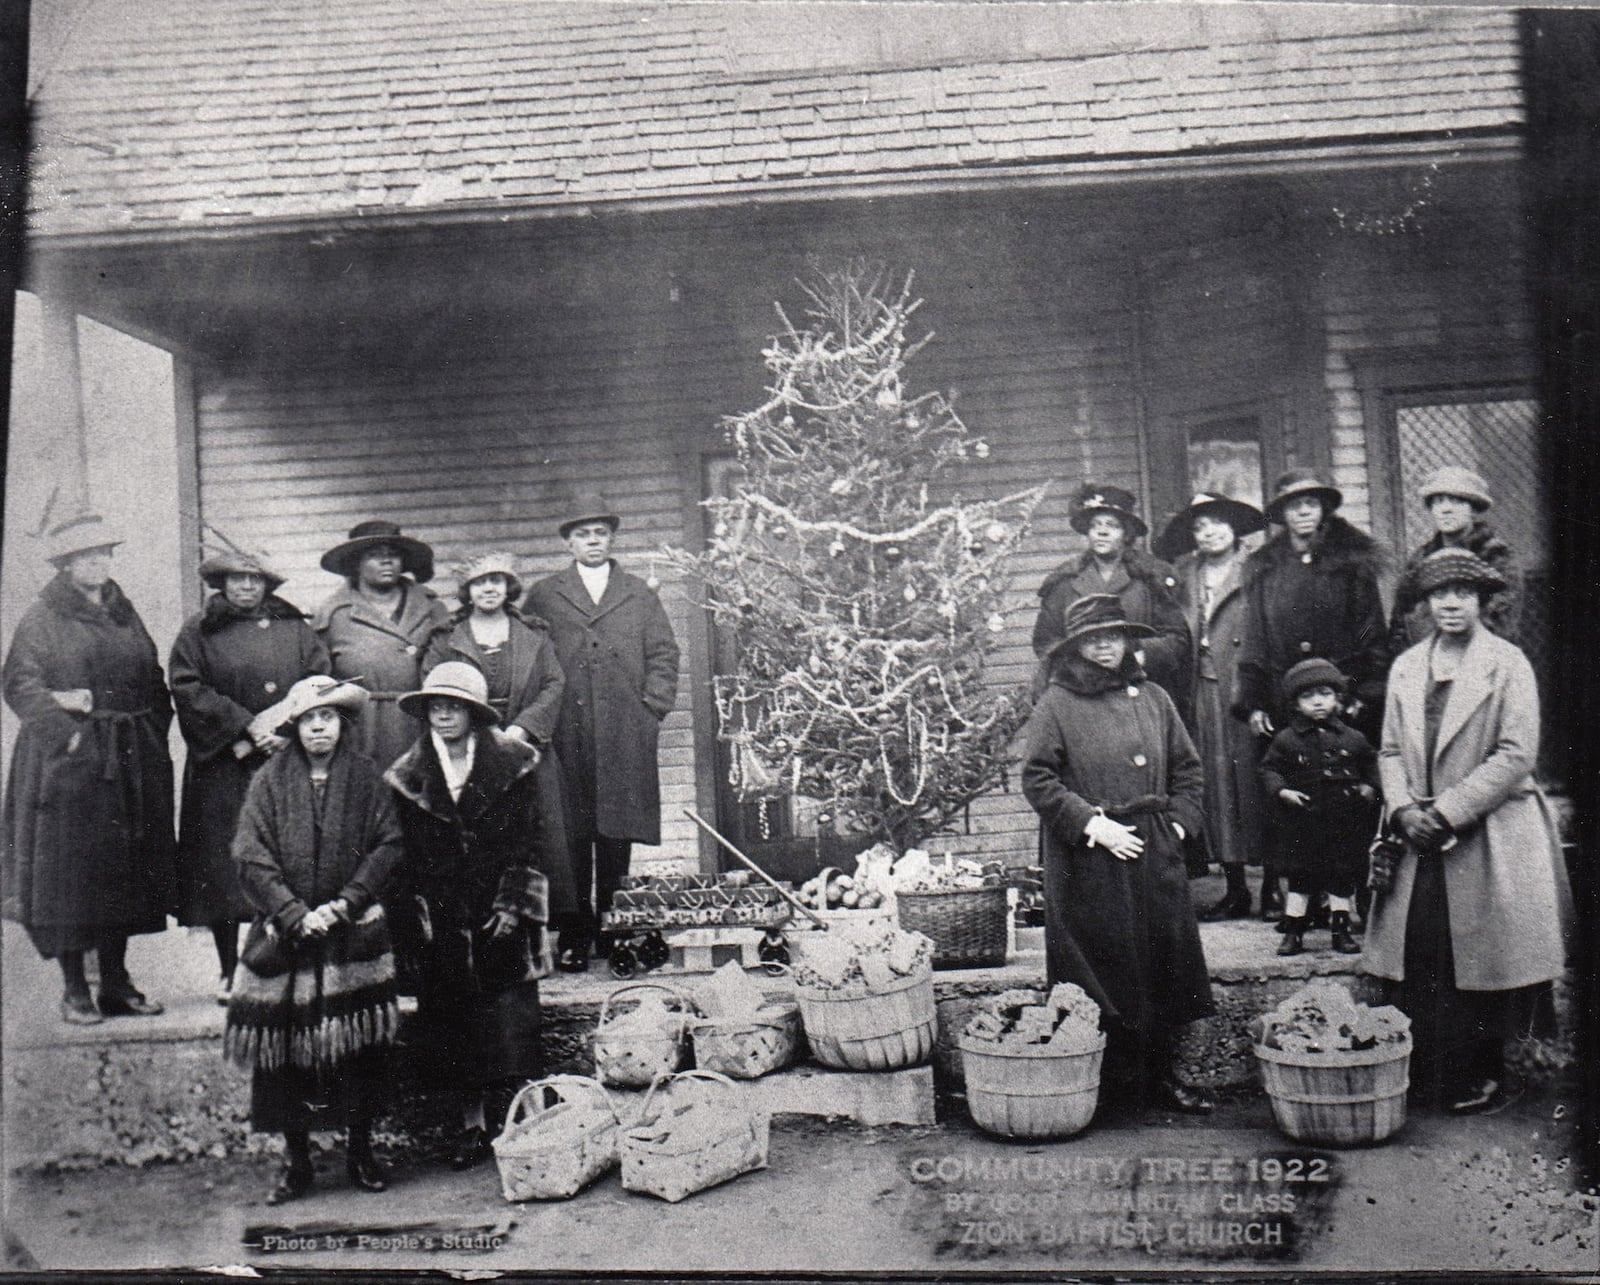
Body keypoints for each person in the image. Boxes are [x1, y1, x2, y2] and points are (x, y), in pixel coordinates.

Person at [1362, 548, 1569, 1114]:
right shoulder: (1407, 665)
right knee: (1423, 946)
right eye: (1438, 594)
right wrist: (1404, 808)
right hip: (1418, 832)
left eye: (1463, 593)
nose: (1450, 604)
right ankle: (1433, 1071)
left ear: (1482, 600)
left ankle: (1487, 1073)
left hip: (1488, 828)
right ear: (1425, 604)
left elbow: (1515, 754)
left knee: (1481, 951)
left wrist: (1449, 811)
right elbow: (1389, 749)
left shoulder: (1507, 663)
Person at [1020, 594, 1214, 1117]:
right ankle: (1115, 1087)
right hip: (1090, 856)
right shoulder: (1056, 703)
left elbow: (1188, 769)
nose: (1105, 645)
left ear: (1128, 639)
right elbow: (1037, 778)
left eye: (1114, 634)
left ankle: (1164, 1078)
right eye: (1093, 637)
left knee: (1163, 958)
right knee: (1106, 963)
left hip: (1153, 845)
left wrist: (1177, 822)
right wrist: (1093, 826)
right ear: (1076, 646)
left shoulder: (1154, 698)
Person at [223, 675, 402, 1205]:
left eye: (328, 718)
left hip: (350, 931)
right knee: (284, 1049)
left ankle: (361, 1152)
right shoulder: (269, 781)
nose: (319, 728)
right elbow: (249, 853)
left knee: (358, 1045)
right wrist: (292, 911)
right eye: (308, 719)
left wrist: (345, 904)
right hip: (288, 935)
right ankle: (296, 1159)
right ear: (295, 727)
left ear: (342, 725)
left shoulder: (368, 779)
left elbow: (388, 845)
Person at [386, 663, 570, 1170]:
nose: (443, 714)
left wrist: (514, 901)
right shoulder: (408, 775)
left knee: (512, 1018)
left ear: (472, 712)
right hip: (441, 916)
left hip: (499, 910)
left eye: (454, 705)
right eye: (435, 706)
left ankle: (531, 1116)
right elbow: (401, 855)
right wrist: (415, 919)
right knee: (453, 1022)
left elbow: (529, 839)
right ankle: (472, 1126)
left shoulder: (514, 762)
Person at [2, 512, 176, 1024]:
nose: (97, 562)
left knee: (124, 870)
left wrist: (152, 731)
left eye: (103, 552)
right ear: (66, 564)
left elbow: (152, 673)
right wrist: (70, 736)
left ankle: (117, 985)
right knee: (71, 875)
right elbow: (19, 684)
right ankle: (76, 989)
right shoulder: (43, 617)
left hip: (128, 757)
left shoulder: (125, 612)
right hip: (69, 764)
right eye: (84, 555)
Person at [523, 494, 680, 972]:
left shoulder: (637, 592)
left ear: (611, 539)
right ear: (569, 542)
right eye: (583, 534)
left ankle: (616, 930)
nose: (593, 541)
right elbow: (529, 652)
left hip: (621, 730)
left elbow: (664, 654)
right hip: (565, 730)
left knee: (616, 828)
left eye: (601, 533)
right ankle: (574, 932)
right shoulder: (546, 594)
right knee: (570, 831)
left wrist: (650, 708)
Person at [168, 548, 330, 1002]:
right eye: (236, 579)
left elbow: (319, 679)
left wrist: (288, 731)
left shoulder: (293, 627)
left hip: (284, 759)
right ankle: (228, 971)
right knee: (224, 867)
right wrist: (241, 727)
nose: (245, 587)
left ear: (267, 585)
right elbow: (186, 686)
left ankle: (285, 961)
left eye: (254, 579)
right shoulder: (199, 631)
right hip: (224, 764)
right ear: (221, 583)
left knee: (288, 858)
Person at [1234, 469, 1390, 918]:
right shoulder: (1266, 567)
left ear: (1323, 510)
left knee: (1346, 800)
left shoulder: (1350, 564)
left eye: (1311, 504)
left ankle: (1353, 898)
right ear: (1282, 514)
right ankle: (1305, 901)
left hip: (1340, 700)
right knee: (1296, 799)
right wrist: (1255, 701)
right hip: (1289, 703)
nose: (1302, 512)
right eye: (1293, 505)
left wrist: (1362, 692)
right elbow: (1256, 636)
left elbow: (1371, 633)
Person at [422, 550, 575, 916]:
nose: (489, 588)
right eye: (479, 582)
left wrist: (522, 729)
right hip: (470, 748)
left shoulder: (533, 634)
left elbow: (554, 683)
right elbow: (432, 687)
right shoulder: (446, 639)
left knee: (543, 837)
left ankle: (559, 927)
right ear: (467, 590)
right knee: (482, 836)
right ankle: (486, 922)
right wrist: (479, 733)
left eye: (496, 580)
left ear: (509, 587)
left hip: (528, 747)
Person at [1156, 492, 1269, 920]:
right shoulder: (1184, 576)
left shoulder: (1257, 569)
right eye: (1200, 528)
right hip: (1200, 689)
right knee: (1217, 784)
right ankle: (1236, 885)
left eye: (1218, 523)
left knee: (1256, 780)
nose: (1210, 533)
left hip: (1244, 687)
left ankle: (1275, 882)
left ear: (1235, 528)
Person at [1258, 658, 1379, 957]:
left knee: (1341, 878)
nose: (1318, 702)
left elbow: (1372, 764)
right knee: (1301, 879)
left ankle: (1341, 931)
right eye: (1308, 697)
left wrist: (1370, 787)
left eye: (1325, 694)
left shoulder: (1353, 738)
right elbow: (1269, 769)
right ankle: (1294, 932)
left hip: (1342, 824)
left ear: (1338, 698)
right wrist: (1282, 790)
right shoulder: (1286, 740)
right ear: (1296, 704)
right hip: (1303, 824)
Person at [1032, 482, 1189, 709]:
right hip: (1083, 695)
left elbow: (1176, 638)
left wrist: (1139, 657)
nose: (1102, 531)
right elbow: (1045, 641)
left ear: (1126, 533)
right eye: (1095, 525)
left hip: (1141, 692)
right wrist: (1079, 666)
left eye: (1112, 525)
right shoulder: (1065, 582)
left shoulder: (1151, 578)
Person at [312, 520, 451, 775]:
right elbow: (319, 680)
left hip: (420, 725)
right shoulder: (333, 614)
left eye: (393, 555)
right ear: (356, 564)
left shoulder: (432, 608)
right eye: (375, 555)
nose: (387, 561)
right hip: (361, 731)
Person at [1389, 466, 1522, 653]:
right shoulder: (1421, 559)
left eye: (1456, 501)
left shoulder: (1496, 555)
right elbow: (1401, 619)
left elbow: (1501, 620)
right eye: (1438, 502)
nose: (1446, 509)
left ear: (1473, 509)